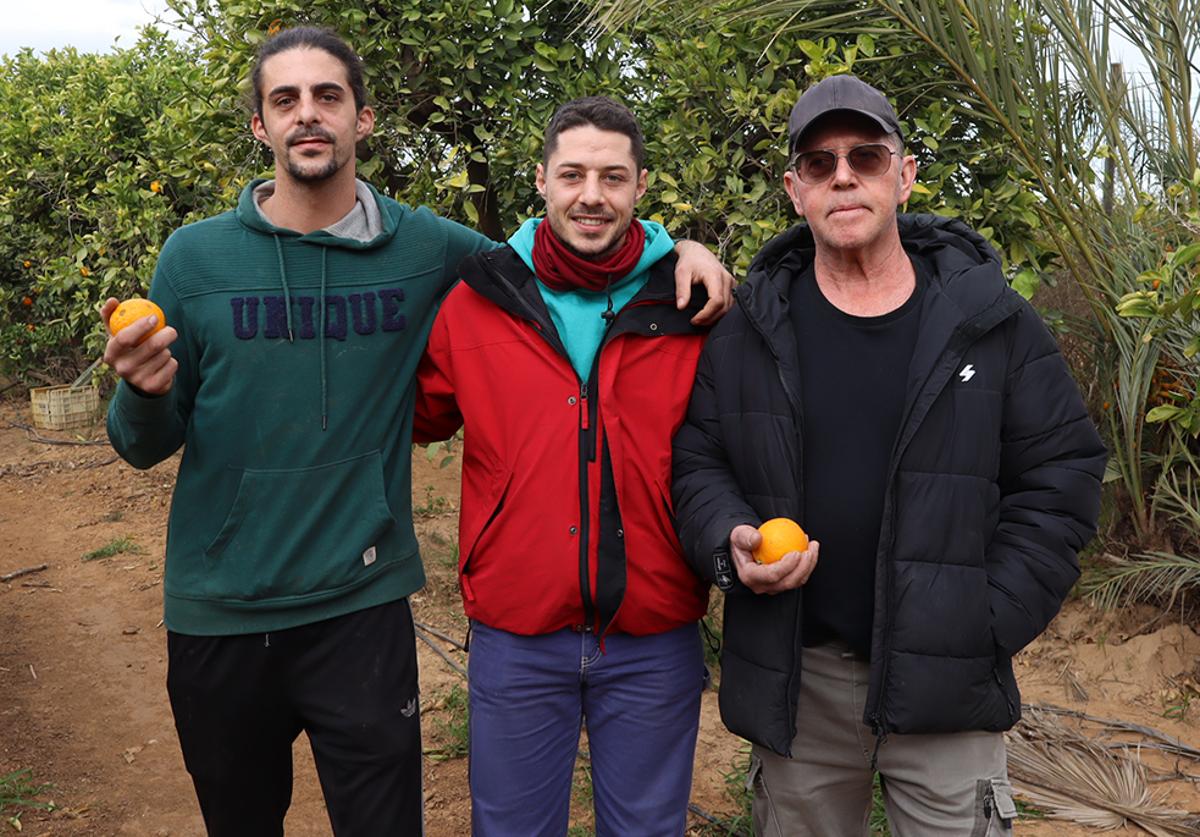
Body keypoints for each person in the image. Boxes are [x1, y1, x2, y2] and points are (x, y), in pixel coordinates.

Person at [101, 28, 731, 837]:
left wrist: (684, 249)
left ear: (363, 118)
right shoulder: (193, 259)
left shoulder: (429, 248)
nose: (308, 116)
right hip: (220, 609)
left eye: (328, 96)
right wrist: (143, 393)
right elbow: (142, 442)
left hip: (360, 609)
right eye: (285, 100)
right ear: (259, 125)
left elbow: (550, 256)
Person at [670, 74, 1107, 836]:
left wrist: (986, 619)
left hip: (949, 682)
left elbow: (1062, 475)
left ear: (904, 177)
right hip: (800, 680)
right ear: (794, 189)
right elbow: (699, 461)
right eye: (819, 162)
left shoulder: (992, 323)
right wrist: (728, 540)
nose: (843, 175)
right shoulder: (747, 330)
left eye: (866, 157)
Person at [413, 96, 718, 836]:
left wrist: (696, 252)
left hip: (653, 634)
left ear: (641, 187)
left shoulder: (690, 302)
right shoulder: (478, 299)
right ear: (542, 179)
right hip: (517, 635)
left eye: (612, 178)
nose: (592, 196)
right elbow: (416, 418)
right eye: (573, 174)